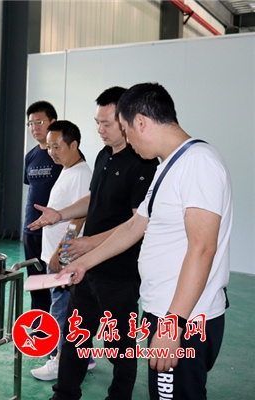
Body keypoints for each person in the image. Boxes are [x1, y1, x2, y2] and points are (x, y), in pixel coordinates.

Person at [59, 82, 232, 400]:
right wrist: (84, 262)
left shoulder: (198, 163)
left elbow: (203, 248)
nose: (128, 140)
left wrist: (173, 325)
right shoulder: (168, 166)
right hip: (164, 311)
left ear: (140, 122)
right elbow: (134, 226)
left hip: (183, 317)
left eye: (125, 129)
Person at [31, 86, 159, 398]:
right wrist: (60, 214)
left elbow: (136, 225)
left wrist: (91, 244)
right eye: (97, 122)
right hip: (87, 268)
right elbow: (93, 199)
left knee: (120, 344)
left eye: (107, 123)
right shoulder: (103, 155)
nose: (100, 129)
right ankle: (65, 393)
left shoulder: (142, 163)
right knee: (75, 336)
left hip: (119, 271)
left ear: (127, 121)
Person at [27, 120, 92, 381]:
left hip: (65, 257)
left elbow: (80, 217)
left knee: (61, 309)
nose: (52, 152)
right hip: (58, 253)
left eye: (57, 146)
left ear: (74, 145)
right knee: (71, 309)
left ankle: (59, 361)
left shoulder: (81, 174)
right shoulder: (68, 169)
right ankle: (85, 357)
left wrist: (60, 253)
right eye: (49, 147)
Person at [23, 101, 61, 314]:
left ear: (52, 122)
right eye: (31, 123)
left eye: (39, 122)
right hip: (31, 228)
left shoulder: (64, 154)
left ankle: (57, 325)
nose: (34, 127)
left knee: (56, 281)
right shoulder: (30, 156)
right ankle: (39, 324)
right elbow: (32, 189)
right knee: (36, 281)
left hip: (54, 228)